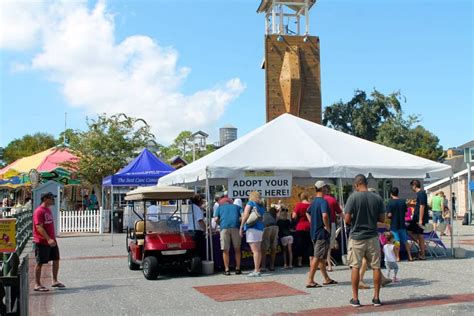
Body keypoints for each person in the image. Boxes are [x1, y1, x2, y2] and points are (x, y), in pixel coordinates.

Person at [344, 174, 385, 307]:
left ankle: (355, 299)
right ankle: (376, 298)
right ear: (366, 183)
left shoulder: (353, 197)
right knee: (376, 266)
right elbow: (382, 219)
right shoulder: (377, 198)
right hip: (372, 236)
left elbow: (347, 219)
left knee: (355, 266)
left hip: (357, 237)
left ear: (356, 185)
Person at [306, 180, 337, 288]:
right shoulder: (323, 202)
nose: (327, 189)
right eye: (326, 187)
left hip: (314, 232)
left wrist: (313, 223)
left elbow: (307, 212)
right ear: (323, 188)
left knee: (321, 257)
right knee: (318, 257)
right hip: (321, 233)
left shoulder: (314, 201)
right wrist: (327, 227)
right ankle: (310, 280)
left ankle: (326, 278)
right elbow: (325, 215)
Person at [33, 192, 65, 292]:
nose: (53, 200)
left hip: (51, 240)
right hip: (42, 241)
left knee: (56, 259)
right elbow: (39, 227)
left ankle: (55, 280)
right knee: (40, 262)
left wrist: (52, 238)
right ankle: (37, 284)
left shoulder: (48, 210)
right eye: (51, 198)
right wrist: (48, 239)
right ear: (45, 199)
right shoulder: (39, 211)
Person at [214, 198, 243, 275]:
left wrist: (221, 223)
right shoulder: (237, 207)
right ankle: (238, 269)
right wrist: (238, 221)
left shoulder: (219, 208)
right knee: (237, 249)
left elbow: (216, 219)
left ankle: (227, 270)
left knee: (225, 250)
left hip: (224, 228)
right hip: (235, 227)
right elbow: (243, 217)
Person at [240, 191, 265, 277]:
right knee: (258, 250)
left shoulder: (250, 203)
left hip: (252, 228)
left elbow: (245, 215)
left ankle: (256, 270)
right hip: (260, 228)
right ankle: (257, 268)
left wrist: (241, 227)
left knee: (255, 251)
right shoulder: (261, 205)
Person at [387, 187, 413, 261]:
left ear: (391, 194)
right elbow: (405, 213)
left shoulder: (390, 202)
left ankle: (397, 257)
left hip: (394, 225)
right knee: (405, 241)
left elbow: (389, 215)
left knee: (397, 242)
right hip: (402, 224)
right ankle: (410, 256)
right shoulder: (403, 202)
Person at [322, 184, 342, 272]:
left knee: (321, 244)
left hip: (321, 224)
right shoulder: (332, 200)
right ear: (329, 191)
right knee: (330, 245)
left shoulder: (318, 200)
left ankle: (322, 264)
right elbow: (340, 212)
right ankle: (329, 265)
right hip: (331, 223)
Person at [407, 179, 428, 260]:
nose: (411, 188)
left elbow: (422, 206)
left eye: (411, 186)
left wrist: (420, 219)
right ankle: (422, 246)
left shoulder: (421, 193)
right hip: (416, 217)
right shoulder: (419, 194)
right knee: (409, 231)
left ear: (414, 186)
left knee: (420, 235)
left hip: (419, 218)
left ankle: (423, 254)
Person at [292, 192, 312, 267]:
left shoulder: (299, 205)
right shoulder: (311, 205)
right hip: (310, 226)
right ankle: (311, 262)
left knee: (300, 245)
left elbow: (294, 216)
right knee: (310, 244)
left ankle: (300, 263)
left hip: (300, 227)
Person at [261, 206, 279, 272]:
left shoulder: (260, 211)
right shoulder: (271, 213)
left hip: (267, 227)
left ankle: (263, 266)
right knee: (273, 247)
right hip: (275, 227)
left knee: (264, 248)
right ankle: (272, 266)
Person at [188, 194, 206, 259]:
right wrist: (206, 229)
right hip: (197, 231)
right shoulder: (197, 208)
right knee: (198, 249)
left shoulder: (191, 207)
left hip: (190, 230)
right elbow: (200, 221)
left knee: (193, 249)